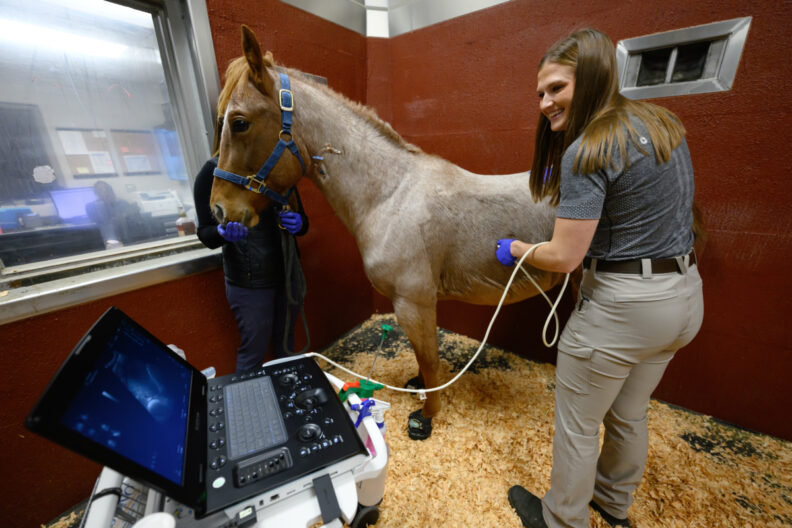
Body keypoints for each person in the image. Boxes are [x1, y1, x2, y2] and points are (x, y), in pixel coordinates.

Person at [496, 29, 704, 528]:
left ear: (590, 78)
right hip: (683, 299)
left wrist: (518, 249)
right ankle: (613, 505)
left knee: (578, 424)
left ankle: (561, 519)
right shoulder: (663, 123)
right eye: (540, 93)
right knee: (629, 413)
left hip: (623, 309)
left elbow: (565, 257)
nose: (545, 103)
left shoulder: (587, 149)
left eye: (557, 88)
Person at [194, 155, 309, 373]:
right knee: (254, 350)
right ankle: (247, 395)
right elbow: (205, 233)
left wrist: (299, 223)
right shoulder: (212, 171)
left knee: (287, 343)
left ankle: (288, 391)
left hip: (288, 274)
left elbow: (302, 219)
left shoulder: (279, 166)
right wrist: (221, 233)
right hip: (249, 283)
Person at [85, 180, 144, 247]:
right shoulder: (92, 206)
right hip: (109, 241)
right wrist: (107, 203)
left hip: (128, 239)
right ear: (96, 193)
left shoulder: (123, 203)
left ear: (111, 190)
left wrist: (134, 213)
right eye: (100, 190)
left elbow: (134, 222)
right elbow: (102, 222)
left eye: (107, 189)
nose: (105, 192)